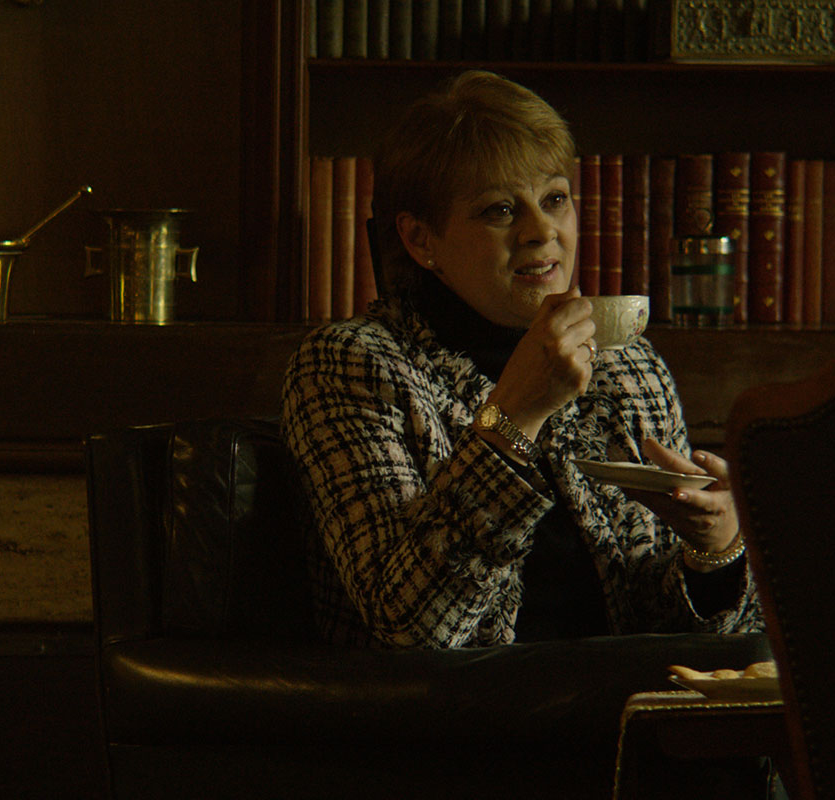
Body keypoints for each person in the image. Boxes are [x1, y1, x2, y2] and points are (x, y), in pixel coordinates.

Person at [280, 70, 762, 649]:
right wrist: (515, 415)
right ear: (421, 240)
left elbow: (669, 626)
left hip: (622, 696)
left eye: (555, 199)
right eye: (501, 210)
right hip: (455, 705)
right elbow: (409, 627)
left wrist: (716, 550)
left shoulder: (628, 366)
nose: (542, 231)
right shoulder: (351, 364)